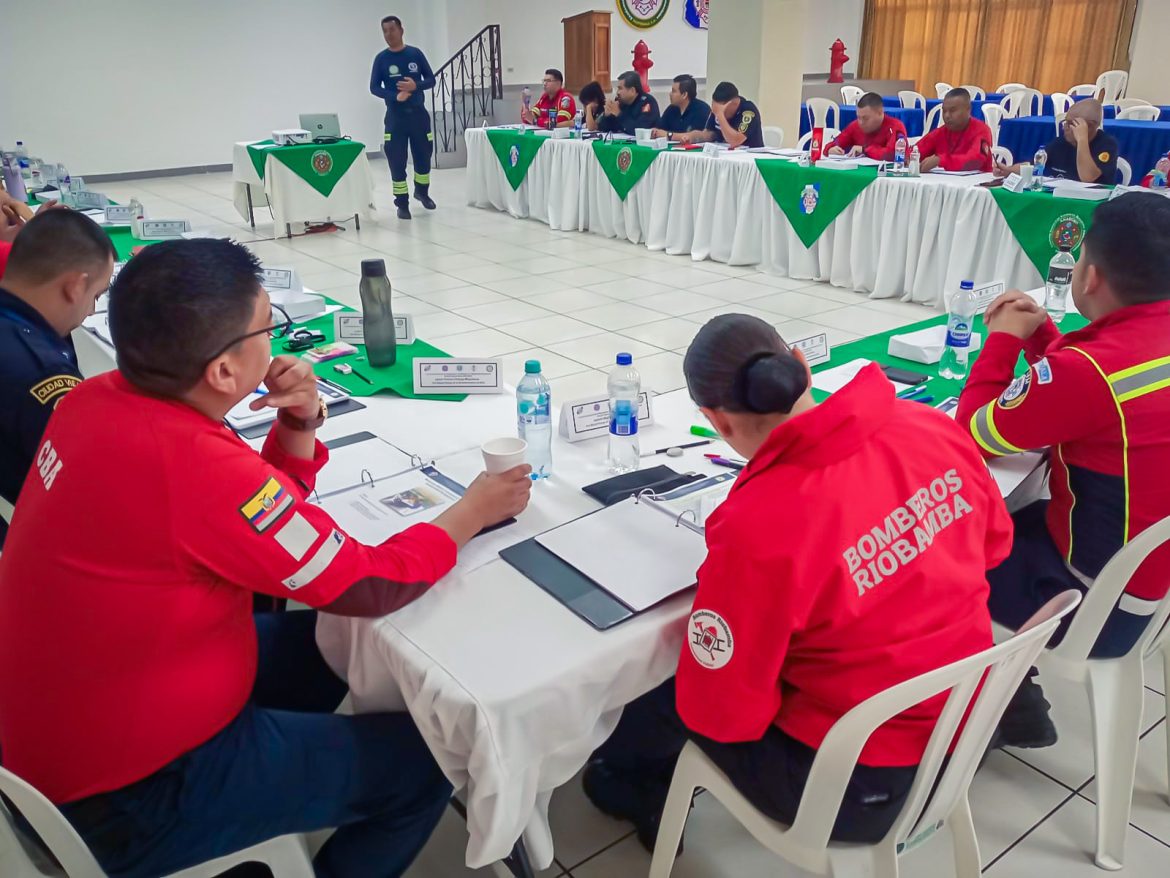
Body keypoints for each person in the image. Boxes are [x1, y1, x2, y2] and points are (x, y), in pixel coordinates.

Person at [0, 238, 533, 878]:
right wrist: (473, 511)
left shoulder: (99, 398)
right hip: (129, 792)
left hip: (76, 719)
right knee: (420, 769)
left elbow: (246, 516)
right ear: (223, 370)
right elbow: (365, 584)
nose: (278, 343)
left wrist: (300, 423)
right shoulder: (192, 465)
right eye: (266, 328)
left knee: (335, 641)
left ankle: (302, 772)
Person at [584, 314, 1012, 851]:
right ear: (804, 365)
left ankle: (626, 783)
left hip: (859, 788)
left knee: (667, 683)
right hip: (971, 723)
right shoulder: (928, 426)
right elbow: (996, 544)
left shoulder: (759, 521)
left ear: (716, 421)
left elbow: (724, 711)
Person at [956, 193, 1170, 748]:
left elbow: (973, 436)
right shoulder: (1114, 357)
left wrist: (1003, 340)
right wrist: (1048, 340)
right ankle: (1009, 689)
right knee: (1019, 507)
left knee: (934, 543)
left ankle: (999, 699)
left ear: (1091, 276)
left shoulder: (1089, 373)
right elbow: (1096, 391)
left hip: (1095, 604)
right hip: (1153, 585)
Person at [0, 209, 114, 547]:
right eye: (95, 295)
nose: (92, 310)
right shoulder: (43, 372)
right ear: (75, 286)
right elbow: (88, 487)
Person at [370, 15, 436, 220]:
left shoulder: (415, 54)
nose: (389, 35)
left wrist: (416, 86)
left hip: (418, 115)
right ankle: (402, 203)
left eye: (392, 29)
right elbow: (374, 87)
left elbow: (431, 79)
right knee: (396, 161)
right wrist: (395, 96)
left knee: (423, 157)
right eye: (385, 31)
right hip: (395, 118)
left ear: (401, 30)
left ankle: (422, 192)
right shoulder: (381, 59)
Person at [994, 99, 1118, 183]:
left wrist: (1082, 140)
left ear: (1090, 126)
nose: (1064, 127)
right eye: (1066, 122)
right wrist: (1008, 170)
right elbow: (1034, 165)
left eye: (1071, 124)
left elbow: (1088, 177)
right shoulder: (1061, 143)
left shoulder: (1107, 144)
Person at [916, 88, 994, 173]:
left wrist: (940, 160)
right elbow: (915, 151)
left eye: (952, 110)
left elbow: (974, 161)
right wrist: (910, 158)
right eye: (944, 111)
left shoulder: (981, 130)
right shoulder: (941, 131)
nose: (947, 116)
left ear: (968, 110)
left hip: (978, 182)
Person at [675, 81, 764, 149]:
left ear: (734, 103)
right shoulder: (718, 109)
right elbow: (709, 134)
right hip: (724, 155)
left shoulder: (748, 111)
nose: (716, 113)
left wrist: (720, 115)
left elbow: (735, 141)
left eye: (721, 109)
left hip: (749, 159)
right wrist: (691, 138)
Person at [827, 91, 910, 161]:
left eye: (865, 118)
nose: (861, 122)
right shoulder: (855, 126)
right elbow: (836, 142)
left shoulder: (895, 126)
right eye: (858, 117)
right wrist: (830, 149)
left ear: (880, 113)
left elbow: (894, 155)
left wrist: (865, 150)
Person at [598, 71, 661, 136]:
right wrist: (607, 115)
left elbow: (640, 130)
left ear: (632, 90)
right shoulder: (621, 102)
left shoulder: (647, 103)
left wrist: (619, 114)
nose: (617, 92)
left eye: (620, 88)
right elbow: (603, 128)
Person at [651, 74, 711, 140]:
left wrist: (668, 135)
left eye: (674, 91)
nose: (670, 94)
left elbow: (694, 137)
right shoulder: (671, 109)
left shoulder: (702, 110)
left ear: (684, 95)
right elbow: (660, 129)